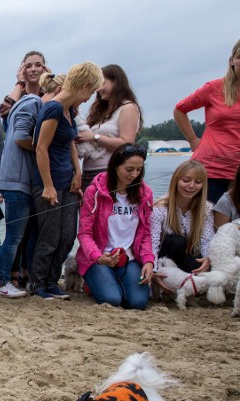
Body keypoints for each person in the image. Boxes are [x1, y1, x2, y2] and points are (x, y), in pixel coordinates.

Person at [31, 62, 103, 300]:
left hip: (68, 181)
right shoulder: (53, 108)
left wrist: (77, 173)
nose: (89, 98)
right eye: (90, 92)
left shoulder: (69, 110)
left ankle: (53, 281)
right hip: (48, 182)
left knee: (67, 236)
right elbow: (40, 148)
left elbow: (71, 141)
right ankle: (39, 284)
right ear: (83, 86)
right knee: (50, 236)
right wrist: (48, 186)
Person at [0, 72, 66, 299]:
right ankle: (3, 281)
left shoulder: (32, 103)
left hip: (21, 179)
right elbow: (20, 137)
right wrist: (45, 149)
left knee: (24, 234)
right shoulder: (33, 103)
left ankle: (21, 277)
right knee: (14, 236)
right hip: (16, 180)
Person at [76, 144, 154, 310]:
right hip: (99, 257)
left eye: (139, 170)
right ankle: (96, 280)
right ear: (115, 166)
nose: (134, 174)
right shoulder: (94, 192)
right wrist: (98, 256)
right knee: (112, 299)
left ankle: (114, 279)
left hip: (129, 258)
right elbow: (84, 233)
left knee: (138, 303)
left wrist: (148, 261)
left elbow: (146, 233)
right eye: (129, 169)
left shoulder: (145, 194)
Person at [174, 39, 240, 204]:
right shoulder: (214, 88)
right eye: (239, 57)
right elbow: (180, 110)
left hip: (239, 174)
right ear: (232, 61)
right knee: (207, 225)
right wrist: (192, 139)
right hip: (209, 171)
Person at [77, 64, 143, 189]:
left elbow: (127, 144)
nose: (98, 89)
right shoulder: (100, 110)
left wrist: (94, 137)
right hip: (87, 173)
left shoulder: (128, 108)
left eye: (102, 84)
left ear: (116, 82)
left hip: (108, 172)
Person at [150, 160, 214, 277]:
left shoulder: (206, 208)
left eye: (198, 182)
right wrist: (153, 271)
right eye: (186, 180)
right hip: (164, 257)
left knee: (197, 263)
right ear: (176, 180)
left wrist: (208, 258)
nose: (191, 186)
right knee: (177, 241)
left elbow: (206, 239)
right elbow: (152, 243)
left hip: (188, 254)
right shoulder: (159, 208)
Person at [0, 51, 49, 124]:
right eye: (28, 66)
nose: (33, 69)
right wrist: (20, 82)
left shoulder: (49, 94)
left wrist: (49, 81)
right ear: (22, 70)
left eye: (38, 65)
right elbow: (4, 112)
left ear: (44, 69)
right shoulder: (17, 96)